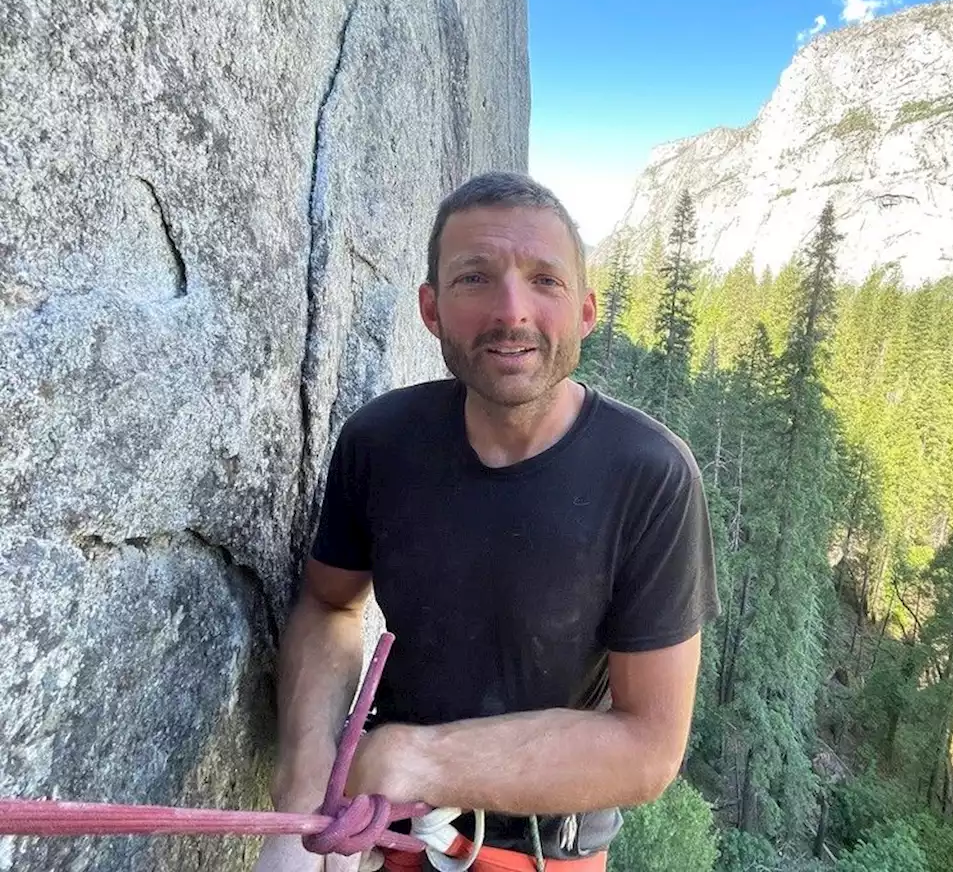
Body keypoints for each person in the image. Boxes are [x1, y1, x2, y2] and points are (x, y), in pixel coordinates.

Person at [254, 172, 720, 872]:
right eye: (474, 278)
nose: (512, 310)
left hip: (538, 850)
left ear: (587, 310)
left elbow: (649, 746)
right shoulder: (381, 442)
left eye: (545, 280)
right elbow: (328, 603)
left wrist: (414, 757)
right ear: (431, 308)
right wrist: (301, 793)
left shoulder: (649, 476)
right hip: (387, 829)